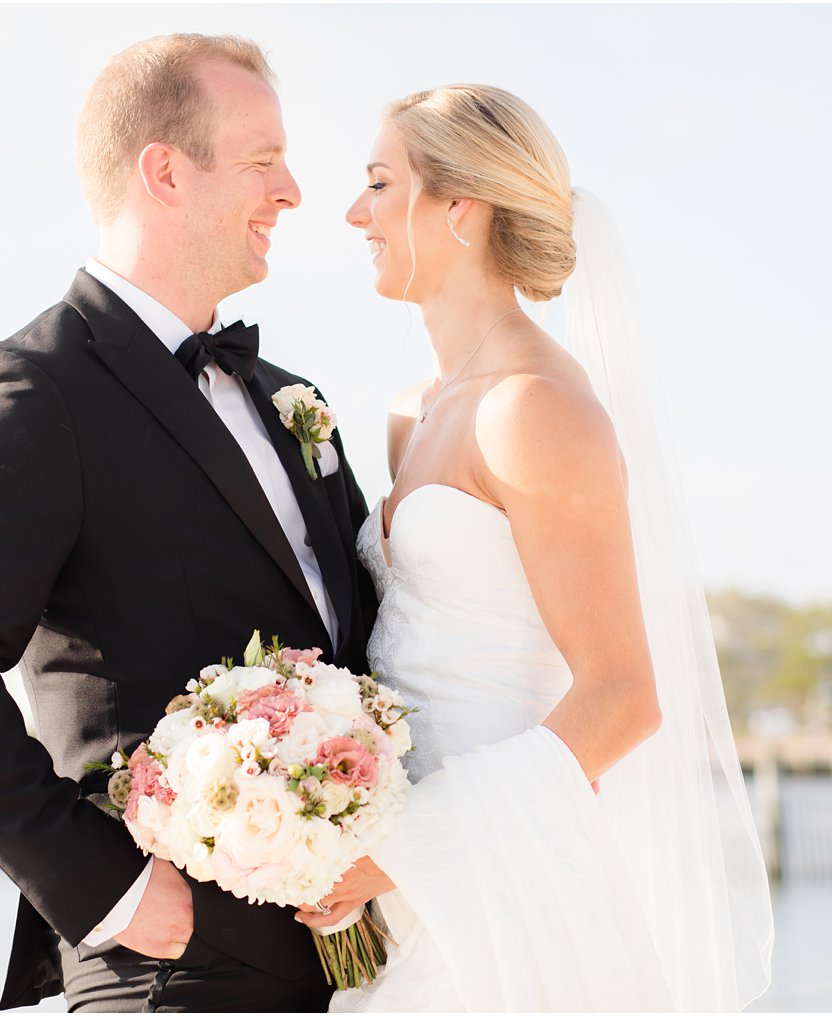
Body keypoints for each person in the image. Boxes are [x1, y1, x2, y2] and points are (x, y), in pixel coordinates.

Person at [0, 34, 376, 1012]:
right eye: (262, 160)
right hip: (164, 971)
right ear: (164, 171)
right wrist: (106, 886)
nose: (292, 191)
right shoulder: (31, 387)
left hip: (353, 963)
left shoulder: (290, 399)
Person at [298, 85, 775, 1010]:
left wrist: (404, 850)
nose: (354, 212)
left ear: (459, 208)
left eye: (380, 184)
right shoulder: (416, 411)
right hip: (390, 879)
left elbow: (624, 698)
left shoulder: (536, 406)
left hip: (494, 873)